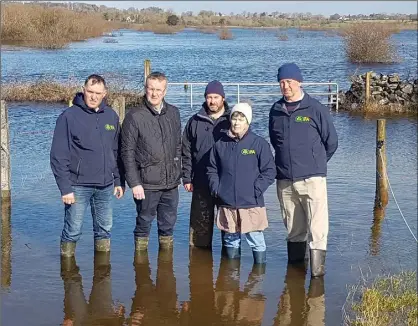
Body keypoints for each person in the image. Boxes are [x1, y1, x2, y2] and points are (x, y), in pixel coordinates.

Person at [268, 63, 338, 278]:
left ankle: (317, 278)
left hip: (312, 180)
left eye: (289, 81)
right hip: (285, 181)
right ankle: (296, 274)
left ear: (299, 82)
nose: (285, 86)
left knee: (317, 229)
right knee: (293, 228)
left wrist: (315, 164)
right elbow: (275, 141)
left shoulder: (315, 108)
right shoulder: (275, 110)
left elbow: (331, 142)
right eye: (281, 82)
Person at [50, 74, 125, 257]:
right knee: (73, 230)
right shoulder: (68, 117)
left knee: (104, 230)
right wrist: (65, 188)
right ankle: (67, 273)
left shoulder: (111, 116)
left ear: (105, 93)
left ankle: (102, 277)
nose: (93, 96)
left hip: (105, 186)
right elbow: (58, 156)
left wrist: (118, 180)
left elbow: (115, 152)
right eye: (90, 92)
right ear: (83, 90)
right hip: (78, 186)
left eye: (98, 93)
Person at [207, 103, 276, 264]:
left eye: (241, 119)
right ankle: (231, 279)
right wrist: (217, 189)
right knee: (231, 240)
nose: (237, 123)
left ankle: (258, 279)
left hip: (251, 202)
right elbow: (212, 169)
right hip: (227, 201)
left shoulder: (258, 144)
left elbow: (270, 171)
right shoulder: (220, 145)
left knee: (256, 240)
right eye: (234, 118)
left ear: (248, 122)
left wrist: (256, 189)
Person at [120, 72, 181, 252]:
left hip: (171, 183)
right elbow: (127, 151)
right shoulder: (134, 116)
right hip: (146, 183)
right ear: (145, 89)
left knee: (168, 225)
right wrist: (134, 183)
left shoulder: (174, 113)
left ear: (165, 90)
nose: (154, 94)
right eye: (150, 89)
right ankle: (140, 268)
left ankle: (166, 271)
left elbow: (178, 145)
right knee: (144, 223)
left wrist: (178, 171)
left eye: (158, 90)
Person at [182, 80, 231, 248]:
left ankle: (229, 269)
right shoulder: (195, 121)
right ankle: (198, 267)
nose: (212, 101)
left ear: (223, 98)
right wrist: (187, 178)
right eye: (209, 97)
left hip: (226, 182)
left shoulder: (232, 121)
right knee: (199, 234)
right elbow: (186, 151)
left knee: (229, 230)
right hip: (201, 181)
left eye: (216, 97)